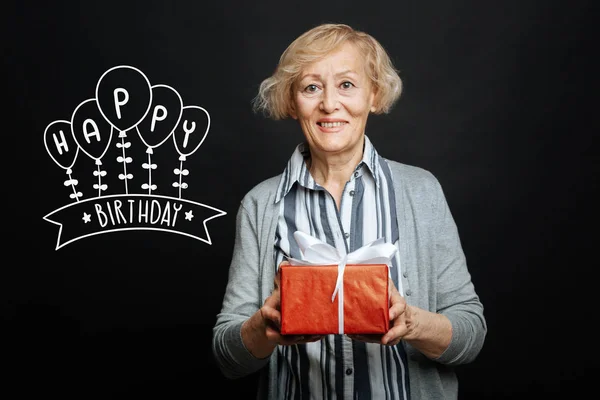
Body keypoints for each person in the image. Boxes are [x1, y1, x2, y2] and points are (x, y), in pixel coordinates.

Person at [212, 23, 486, 399]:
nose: (328, 104)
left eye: (346, 85)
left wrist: (412, 323)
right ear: (292, 102)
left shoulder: (421, 191)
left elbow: (471, 336)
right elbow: (229, 359)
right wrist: (263, 327)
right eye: (311, 87)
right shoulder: (260, 205)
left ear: (374, 94)